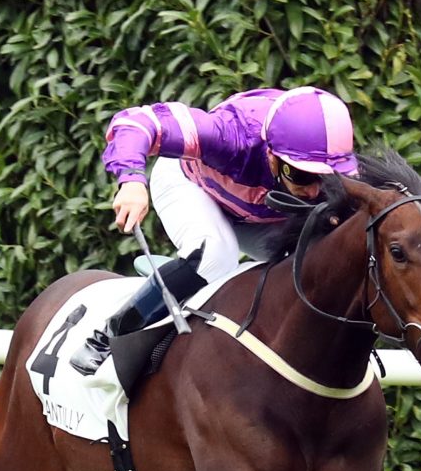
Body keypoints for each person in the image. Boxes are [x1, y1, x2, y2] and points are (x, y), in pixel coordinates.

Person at [68, 85, 360, 375]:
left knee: (320, 257)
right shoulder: (230, 135)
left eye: (328, 177)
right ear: (271, 155)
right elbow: (134, 121)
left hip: (259, 216)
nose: (313, 191)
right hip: (191, 184)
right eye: (302, 175)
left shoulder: (325, 161)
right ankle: (110, 334)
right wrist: (131, 179)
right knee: (216, 255)